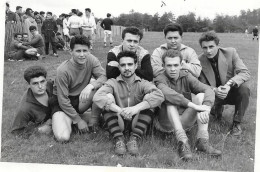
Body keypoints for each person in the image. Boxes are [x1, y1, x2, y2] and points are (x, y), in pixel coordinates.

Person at [154, 49, 222, 160]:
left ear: (181, 65)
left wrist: (207, 108)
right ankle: (182, 142)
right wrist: (195, 106)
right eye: (169, 65)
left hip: (184, 120)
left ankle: (202, 141)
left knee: (201, 96)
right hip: (166, 123)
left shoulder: (186, 76)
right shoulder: (159, 79)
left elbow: (207, 89)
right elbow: (170, 95)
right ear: (163, 66)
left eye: (176, 65)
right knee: (170, 103)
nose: (172, 69)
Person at [93, 51, 164, 155]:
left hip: (137, 120)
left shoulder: (143, 83)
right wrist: (120, 110)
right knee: (107, 97)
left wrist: (136, 108)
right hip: (119, 120)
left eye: (130, 64)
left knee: (150, 97)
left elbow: (159, 95)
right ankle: (118, 138)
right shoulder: (112, 82)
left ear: (135, 66)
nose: (126, 68)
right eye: (123, 65)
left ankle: (134, 138)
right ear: (119, 67)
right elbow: (97, 97)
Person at [51, 35, 107, 142]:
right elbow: (62, 101)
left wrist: (91, 85)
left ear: (89, 50)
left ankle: (92, 121)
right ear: (70, 51)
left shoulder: (91, 59)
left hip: (79, 99)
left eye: (85, 50)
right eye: (78, 51)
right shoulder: (63, 70)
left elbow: (104, 77)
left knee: (99, 89)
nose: (82, 55)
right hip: (62, 104)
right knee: (63, 137)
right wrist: (78, 120)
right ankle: (60, 120)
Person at [198, 31, 250, 136]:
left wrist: (228, 85)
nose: (208, 51)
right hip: (213, 94)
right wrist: (214, 90)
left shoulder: (231, 52)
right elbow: (201, 83)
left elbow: (245, 72)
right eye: (205, 48)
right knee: (200, 94)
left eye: (211, 46)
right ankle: (216, 110)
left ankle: (236, 123)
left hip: (230, 91)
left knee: (244, 88)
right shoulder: (199, 60)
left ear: (218, 44)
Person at [11, 66, 54, 136]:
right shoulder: (25, 107)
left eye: (42, 81)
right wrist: (38, 131)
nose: (40, 86)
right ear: (29, 84)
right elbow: (16, 131)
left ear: (46, 80)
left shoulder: (51, 85)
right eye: (35, 83)